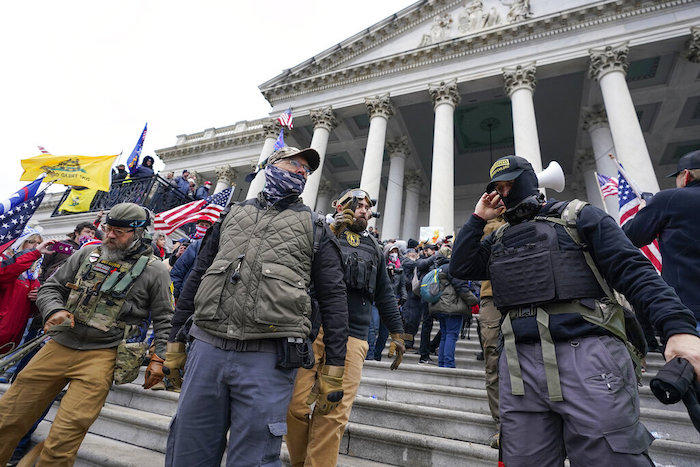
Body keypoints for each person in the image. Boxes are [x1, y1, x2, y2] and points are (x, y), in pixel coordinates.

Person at [450, 155, 700, 466]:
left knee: (609, 457)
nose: (504, 193)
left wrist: (677, 328)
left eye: (509, 184)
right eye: (498, 188)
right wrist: (478, 218)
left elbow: (633, 269)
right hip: (518, 364)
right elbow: (460, 266)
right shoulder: (498, 238)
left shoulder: (580, 216)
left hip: (588, 355)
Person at [165, 146, 349, 467]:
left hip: (269, 358)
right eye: (293, 164)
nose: (300, 172)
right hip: (208, 348)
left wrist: (334, 368)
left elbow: (334, 299)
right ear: (269, 167)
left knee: (254, 458)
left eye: (306, 170)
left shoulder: (317, 229)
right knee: (188, 450)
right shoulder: (229, 217)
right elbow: (197, 276)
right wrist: (174, 342)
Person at [0, 203, 174, 466]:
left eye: (119, 231)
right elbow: (51, 288)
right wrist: (53, 311)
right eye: (107, 228)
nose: (110, 235)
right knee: (8, 417)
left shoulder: (156, 270)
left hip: (103, 355)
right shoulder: (86, 253)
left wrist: (161, 359)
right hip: (59, 345)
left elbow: (165, 319)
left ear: (139, 234)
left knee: (64, 438)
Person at [285, 188, 405, 467]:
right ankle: (300, 462)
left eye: (367, 206)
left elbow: (385, 294)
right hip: (314, 330)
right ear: (338, 205)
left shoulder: (374, 247)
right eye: (356, 204)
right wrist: (331, 234)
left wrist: (397, 333)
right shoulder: (318, 232)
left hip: (354, 335)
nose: (363, 209)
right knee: (296, 405)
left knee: (334, 412)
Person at [622, 149, 700, 328]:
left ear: (686, 175)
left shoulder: (669, 199)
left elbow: (630, 237)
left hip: (690, 308)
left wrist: (643, 211)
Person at [0, 229, 54, 355]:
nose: (37, 246)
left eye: (39, 242)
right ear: (20, 242)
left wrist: (37, 298)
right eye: (31, 242)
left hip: (12, 340)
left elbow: (31, 311)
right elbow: (5, 274)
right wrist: (34, 254)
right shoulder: (4, 262)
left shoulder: (32, 276)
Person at [428, 246, 477, 368]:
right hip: (452, 307)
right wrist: (474, 301)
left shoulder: (438, 268)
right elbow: (462, 288)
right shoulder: (453, 268)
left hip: (439, 306)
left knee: (445, 335)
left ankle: (442, 363)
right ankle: (448, 364)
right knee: (451, 335)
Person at [371, 242, 407, 361]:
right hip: (377, 301)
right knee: (374, 327)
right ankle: (369, 353)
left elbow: (402, 286)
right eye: (391, 252)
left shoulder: (399, 269)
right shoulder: (381, 266)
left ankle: (377, 354)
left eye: (396, 252)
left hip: (392, 302)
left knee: (384, 333)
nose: (394, 254)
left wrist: (403, 297)